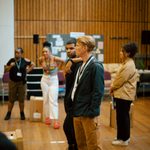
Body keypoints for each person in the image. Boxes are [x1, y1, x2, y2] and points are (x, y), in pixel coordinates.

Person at [70, 36, 104, 150]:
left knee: (93, 146)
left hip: (88, 113)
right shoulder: (81, 64)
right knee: (82, 145)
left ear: (85, 48)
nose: (75, 47)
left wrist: (91, 112)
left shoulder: (96, 66)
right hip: (77, 110)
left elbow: (98, 92)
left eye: (78, 45)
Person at [110, 42, 138, 146]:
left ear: (128, 53)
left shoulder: (129, 65)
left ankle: (124, 139)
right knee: (120, 116)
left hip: (124, 95)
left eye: (122, 51)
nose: (120, 52)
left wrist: (112, 87)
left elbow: (120, 80)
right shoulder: (126, 63)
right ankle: (121, 136)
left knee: (123, 117)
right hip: (122, 94)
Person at [39, 41, 65, 129]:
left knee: (53, 100)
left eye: (46, 51)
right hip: (44, 80)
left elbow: (63, 61)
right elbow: (41, 66)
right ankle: (47, 117)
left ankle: (56, 121)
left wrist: (58, 69)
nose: (44, 53)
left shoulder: (54, 58)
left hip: (53, 80)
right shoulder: (41, 59)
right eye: (43, 52)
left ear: (50, 52)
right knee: (45, 99)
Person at [4, 47, 34, 120]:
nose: (16, 54)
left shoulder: (24, 60)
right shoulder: (11, 60)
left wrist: (27, 71)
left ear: (21, 53)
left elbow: (33, 64)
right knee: (11, 99)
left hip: (22, 83)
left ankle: (22, 113)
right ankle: (8, 113)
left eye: (18, 53)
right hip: (13, 82)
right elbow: (5, 70)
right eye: (15, 52)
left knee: (21, 99)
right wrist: (10, 66)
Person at [63, 38, 79, 150]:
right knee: (71, 126)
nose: (69, 51)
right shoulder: (68, 61)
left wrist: (72, 61)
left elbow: (86, 58)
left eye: (71, 48)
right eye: (67, 49)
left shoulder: (79, 62)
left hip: (76, 100)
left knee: (67, 126)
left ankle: (73, 146)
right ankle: (73, 146)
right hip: (68, 97)